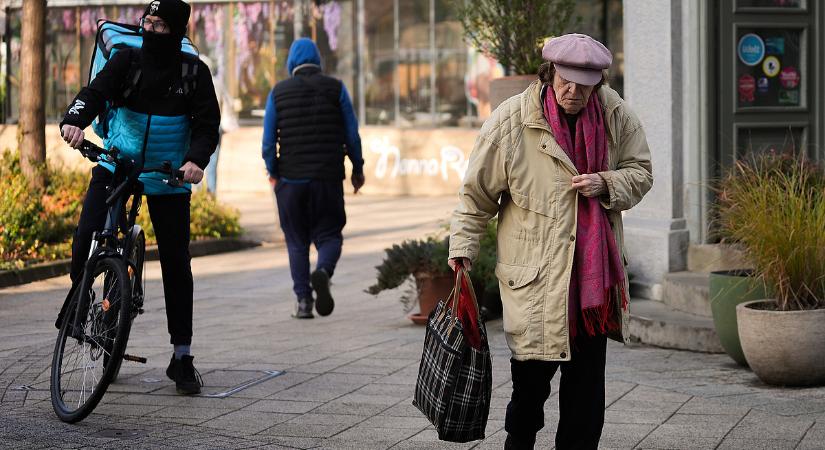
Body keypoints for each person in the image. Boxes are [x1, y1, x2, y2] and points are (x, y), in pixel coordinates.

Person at [448, 33, 653, 449]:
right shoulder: (511, 121)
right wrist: (462, 249)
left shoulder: (617, 117)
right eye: (565, 81)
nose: (573, 92)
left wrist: (607, 182)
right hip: (537, 286)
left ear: (598, 82)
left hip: (593, 292)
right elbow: (476, 195)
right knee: (527, 400)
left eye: (584, 84)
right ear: (549, 73)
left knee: (585, 403)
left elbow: (642, 173)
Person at [58, 0, 220, 395]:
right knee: (84, 243)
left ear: (178, 32)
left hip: (168, 177)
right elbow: (94, 93)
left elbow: (207, 124)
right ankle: (86, 313)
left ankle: (181, 356)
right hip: (118, 164)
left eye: (161, 26)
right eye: (147, 22)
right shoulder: (126, 61)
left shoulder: (193, 72)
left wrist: (196, 161)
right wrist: (73, 120)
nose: (151, 30)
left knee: (176, 261)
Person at [262, 38, 365, 319]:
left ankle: (304, 303)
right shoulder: (336, 88)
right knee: (330, 235)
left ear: (291, 62)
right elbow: (352, 134)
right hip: (327, 179)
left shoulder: (278, 93)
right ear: (318, 60)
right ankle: (323, 272)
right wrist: (357, 168)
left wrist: (273, 173)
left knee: (296, 241)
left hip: (291, 181)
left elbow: (269, 142)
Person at [200, 55, 238, 195]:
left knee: (196, 161)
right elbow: (228, 104)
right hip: (216, 126)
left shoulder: (195, 82)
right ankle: (211, 193)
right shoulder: (217, 83)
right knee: (213, 162)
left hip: (197, 126)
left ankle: (199, 194)